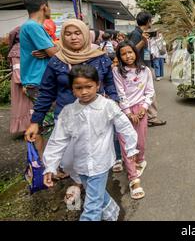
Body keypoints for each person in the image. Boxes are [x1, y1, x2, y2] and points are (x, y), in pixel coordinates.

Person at [42, 65, 138, 221]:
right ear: (72, 89)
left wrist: (131, 149)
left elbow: (125, 127)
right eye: (78, 88)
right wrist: (50, 166)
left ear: (97, 85)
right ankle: (113, 212)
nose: (84, 91)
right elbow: (57, 140)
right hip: (80, 164)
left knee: (91, 207)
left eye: (88, 86)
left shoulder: (107, 106)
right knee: (96, 193)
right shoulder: (68, 111)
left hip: (100, 163)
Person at [25, 19, 119, 159]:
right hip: (66, 119)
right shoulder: (57, 61)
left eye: (77, 33)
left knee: (96, 159)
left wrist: (115, 101)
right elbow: (46, 93)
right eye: (68, 34)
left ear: (86, 35)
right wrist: (35, 122)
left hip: (97, 118)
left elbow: (110, 84)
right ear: (63, 36)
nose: (73, 37)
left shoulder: (100, 58)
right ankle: (77, 179)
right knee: (70, 160)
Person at [113, 41, 155, 200]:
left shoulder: (145, 71)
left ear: (136, 53)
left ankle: (140, 160)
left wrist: (144, 107)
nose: (127, 56)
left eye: (130, 52)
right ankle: (133, 179)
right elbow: (120, 93)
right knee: (126, 144)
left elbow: (149, 92)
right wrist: (128, 113)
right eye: (123, 54)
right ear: (119, 57)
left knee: (141, 142)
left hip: (141, 110)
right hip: (124, 112)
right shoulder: (117, 72)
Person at [20, 0, 59, 153]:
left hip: (38, 82)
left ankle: (44, 165)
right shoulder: (33, 26)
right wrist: (52, 50)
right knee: (50, 125)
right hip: (39, 83)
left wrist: (51, 49)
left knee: (44, 124)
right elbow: (56, 53)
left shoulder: (34, 27)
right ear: (44, 7)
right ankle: (49, 167)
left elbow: (52, 49)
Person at [129, 12, 166, 127]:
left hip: (144, 66)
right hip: (139, 67)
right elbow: (131, 50)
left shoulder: (142, 33)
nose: (152, 22)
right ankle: (151, 117)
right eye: (151, 20)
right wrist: (143, 42)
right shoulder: (136, 34)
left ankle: (148, 116)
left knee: (147, 93)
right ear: (147, 21)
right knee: (150, 93)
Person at [7, 27, 33, 135]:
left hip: (26, 80)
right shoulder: (18, 49)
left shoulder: (22, 47)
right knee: (24, 105)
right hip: (22, 83)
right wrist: (24, 83)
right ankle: (26, 127)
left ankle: (28, 126)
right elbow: (18, 69)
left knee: (27, 105)